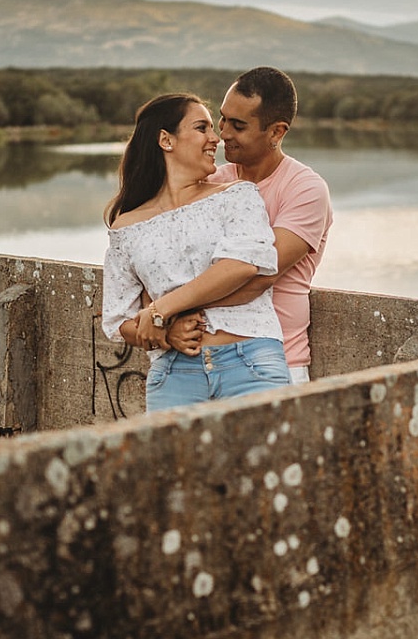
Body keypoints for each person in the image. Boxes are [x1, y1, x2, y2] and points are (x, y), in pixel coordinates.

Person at [101, 93, 291, 411]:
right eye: (202, 128)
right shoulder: (126, 227)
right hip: (174, 374)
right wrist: (167, 333)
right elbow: (118, 319)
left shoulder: (238, 196)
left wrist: (159, 310)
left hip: (250, 363)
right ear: (166, 140)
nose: (216, 138)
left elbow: (242, 265)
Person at [163, 67, 333, 384]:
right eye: (223, 119)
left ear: (277, 132)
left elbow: (256, 278)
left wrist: (166, 309)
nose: (223, 133)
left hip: (275, 365)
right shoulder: (212, 180)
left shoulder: (305, 189)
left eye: (238, 125)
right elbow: (165, 261)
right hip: (201, 362)